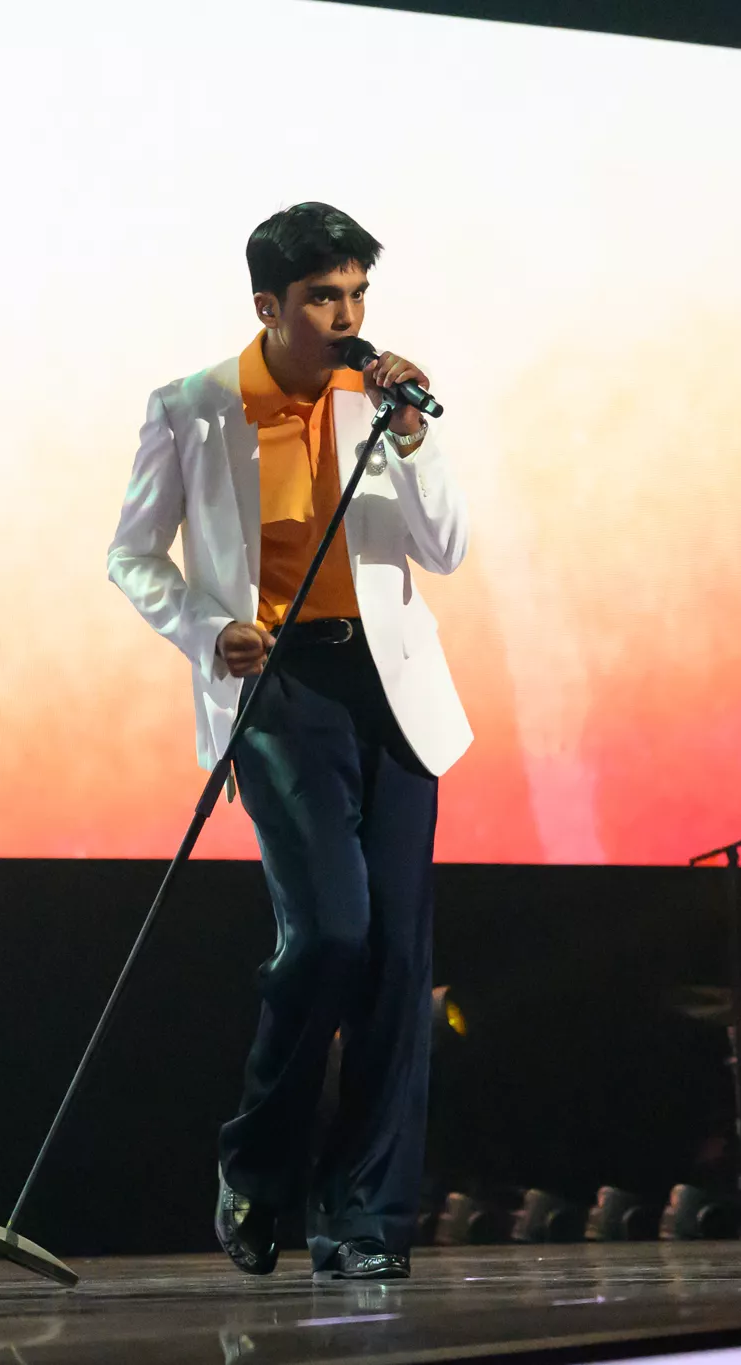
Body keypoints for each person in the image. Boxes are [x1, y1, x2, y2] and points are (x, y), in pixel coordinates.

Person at [107, 203, 472, 1281]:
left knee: (397, 962)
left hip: (388, 691)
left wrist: (414, 440)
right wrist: (203, 629)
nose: (346, 316)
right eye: (323, 298)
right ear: (268, 305)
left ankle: (365, 1220)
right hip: (276, 687)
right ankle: (256, 1167)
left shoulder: (382, 403)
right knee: (330, 934)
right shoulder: (192, 408)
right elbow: (132, 555)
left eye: (357, 293)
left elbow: (447, 549)